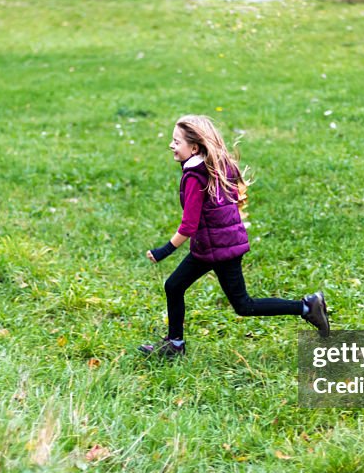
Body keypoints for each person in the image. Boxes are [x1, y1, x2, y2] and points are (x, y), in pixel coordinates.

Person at [140, 115, 330, 358]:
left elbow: (188, 225)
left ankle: (307, 307)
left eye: (176, 141)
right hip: (215, 245)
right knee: (175, 286)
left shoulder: (195, 177)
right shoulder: (212, 167)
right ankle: (175, 344)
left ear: (194, 147)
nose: (171, 145)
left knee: (243, 305)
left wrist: (162, 251)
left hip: (218, 249)